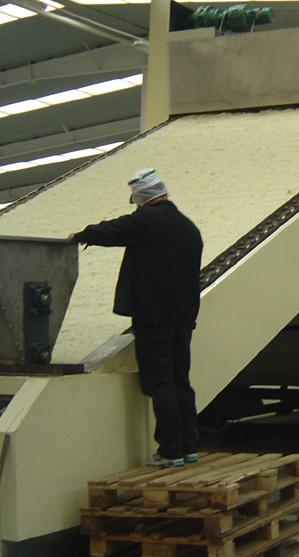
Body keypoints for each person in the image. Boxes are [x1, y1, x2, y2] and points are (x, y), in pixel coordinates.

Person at [70, 168, 203, 468]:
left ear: (141, 200)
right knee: (181, 380)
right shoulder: (189, 227)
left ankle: (170, 451)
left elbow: (114, 230)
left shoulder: (147, 220)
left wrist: (81, 235)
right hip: (183, 318)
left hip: (153, 317)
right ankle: (189, 447)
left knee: (160, 383)